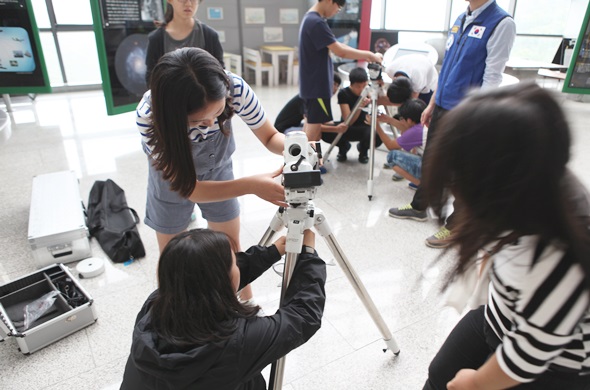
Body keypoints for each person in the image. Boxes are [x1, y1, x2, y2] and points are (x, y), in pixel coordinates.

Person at [421, 82, 590, 390]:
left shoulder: (558, 258)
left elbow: (528, 354)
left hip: (553, 365)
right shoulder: (534, 183)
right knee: (440, 374)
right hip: (499, 314)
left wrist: (475, 383)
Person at [136, 47, 285, 302]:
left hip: (219, 169)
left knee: (230, 249)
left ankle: (247, 310)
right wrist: (251, 185)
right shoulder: (150, 116)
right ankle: (173, 318)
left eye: (218, 114)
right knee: (172, 258)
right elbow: (189, 188)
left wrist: (295, 146)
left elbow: (271, 136)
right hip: (171, 181)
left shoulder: (234, 88)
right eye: (197, 121)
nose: (210, 125)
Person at [120, 228, 327, 389]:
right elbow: (302, 316)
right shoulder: (238, 342)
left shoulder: (155, 305)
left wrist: (272, 252)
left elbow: (206, 279)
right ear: (224, 278)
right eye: (233, 263)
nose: (237, 264)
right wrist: (308, 255)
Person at [388, 0, 516, 249]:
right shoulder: (461, 18)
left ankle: (458, 224)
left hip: (466, 111)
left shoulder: (501, 23)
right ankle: (419, 207)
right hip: (442, 105)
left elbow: (492, 75)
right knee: (432, 160)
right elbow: (447, 68)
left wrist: (479, 115)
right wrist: (432, 103)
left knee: (461, 171)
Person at [299, 0, 382, 172]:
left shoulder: (312, 19)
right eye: (338, 6)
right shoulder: (315, 22)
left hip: (310, 85)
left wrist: (367, 55)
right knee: (313, 132)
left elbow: (338, 46)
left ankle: (306, 164)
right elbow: (340, 51)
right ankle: (304, 168)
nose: (338, 11)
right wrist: (369, 55)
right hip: (316, 87)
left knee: (309, 126)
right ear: (330, 1)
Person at [144, 0, 223, 85]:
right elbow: (151, 79)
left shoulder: (209, 36)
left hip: (204, 96)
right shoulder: (156, 39)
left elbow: (220, 74)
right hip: (170, 96)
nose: (188, 4)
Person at [322, 66, 383, 163]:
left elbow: (379, 102)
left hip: (364, 126)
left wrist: (373, 97)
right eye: (358, 87)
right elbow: (348, 120)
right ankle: (343, 147)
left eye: (364, 86)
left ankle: (363, 150)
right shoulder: (343, 93)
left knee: (378, 135)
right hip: (347, 127)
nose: (362, 89)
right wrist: (359, 106)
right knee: (325, 132)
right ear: (351, 84)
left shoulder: (367, 91)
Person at [375, 98, 427, 188]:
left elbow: (390, 146)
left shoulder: (415, 132)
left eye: (402, 118)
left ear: (410, 120)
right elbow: (409, 130)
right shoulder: (425, 123)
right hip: (448, 167)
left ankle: (425, 187)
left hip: (435, 169)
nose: (401, 120)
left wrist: (376, 126)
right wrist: (389, 119)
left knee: (392, 157)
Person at [274, 74, 342, 134]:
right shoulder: (311, 97)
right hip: (283, 129)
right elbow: (310, 124)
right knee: (314, 133)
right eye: (334, 84)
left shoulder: (321, 98)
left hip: (294, 124)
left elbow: (324, 122)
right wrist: (336, 129)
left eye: (337, 86)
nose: (335, 88)